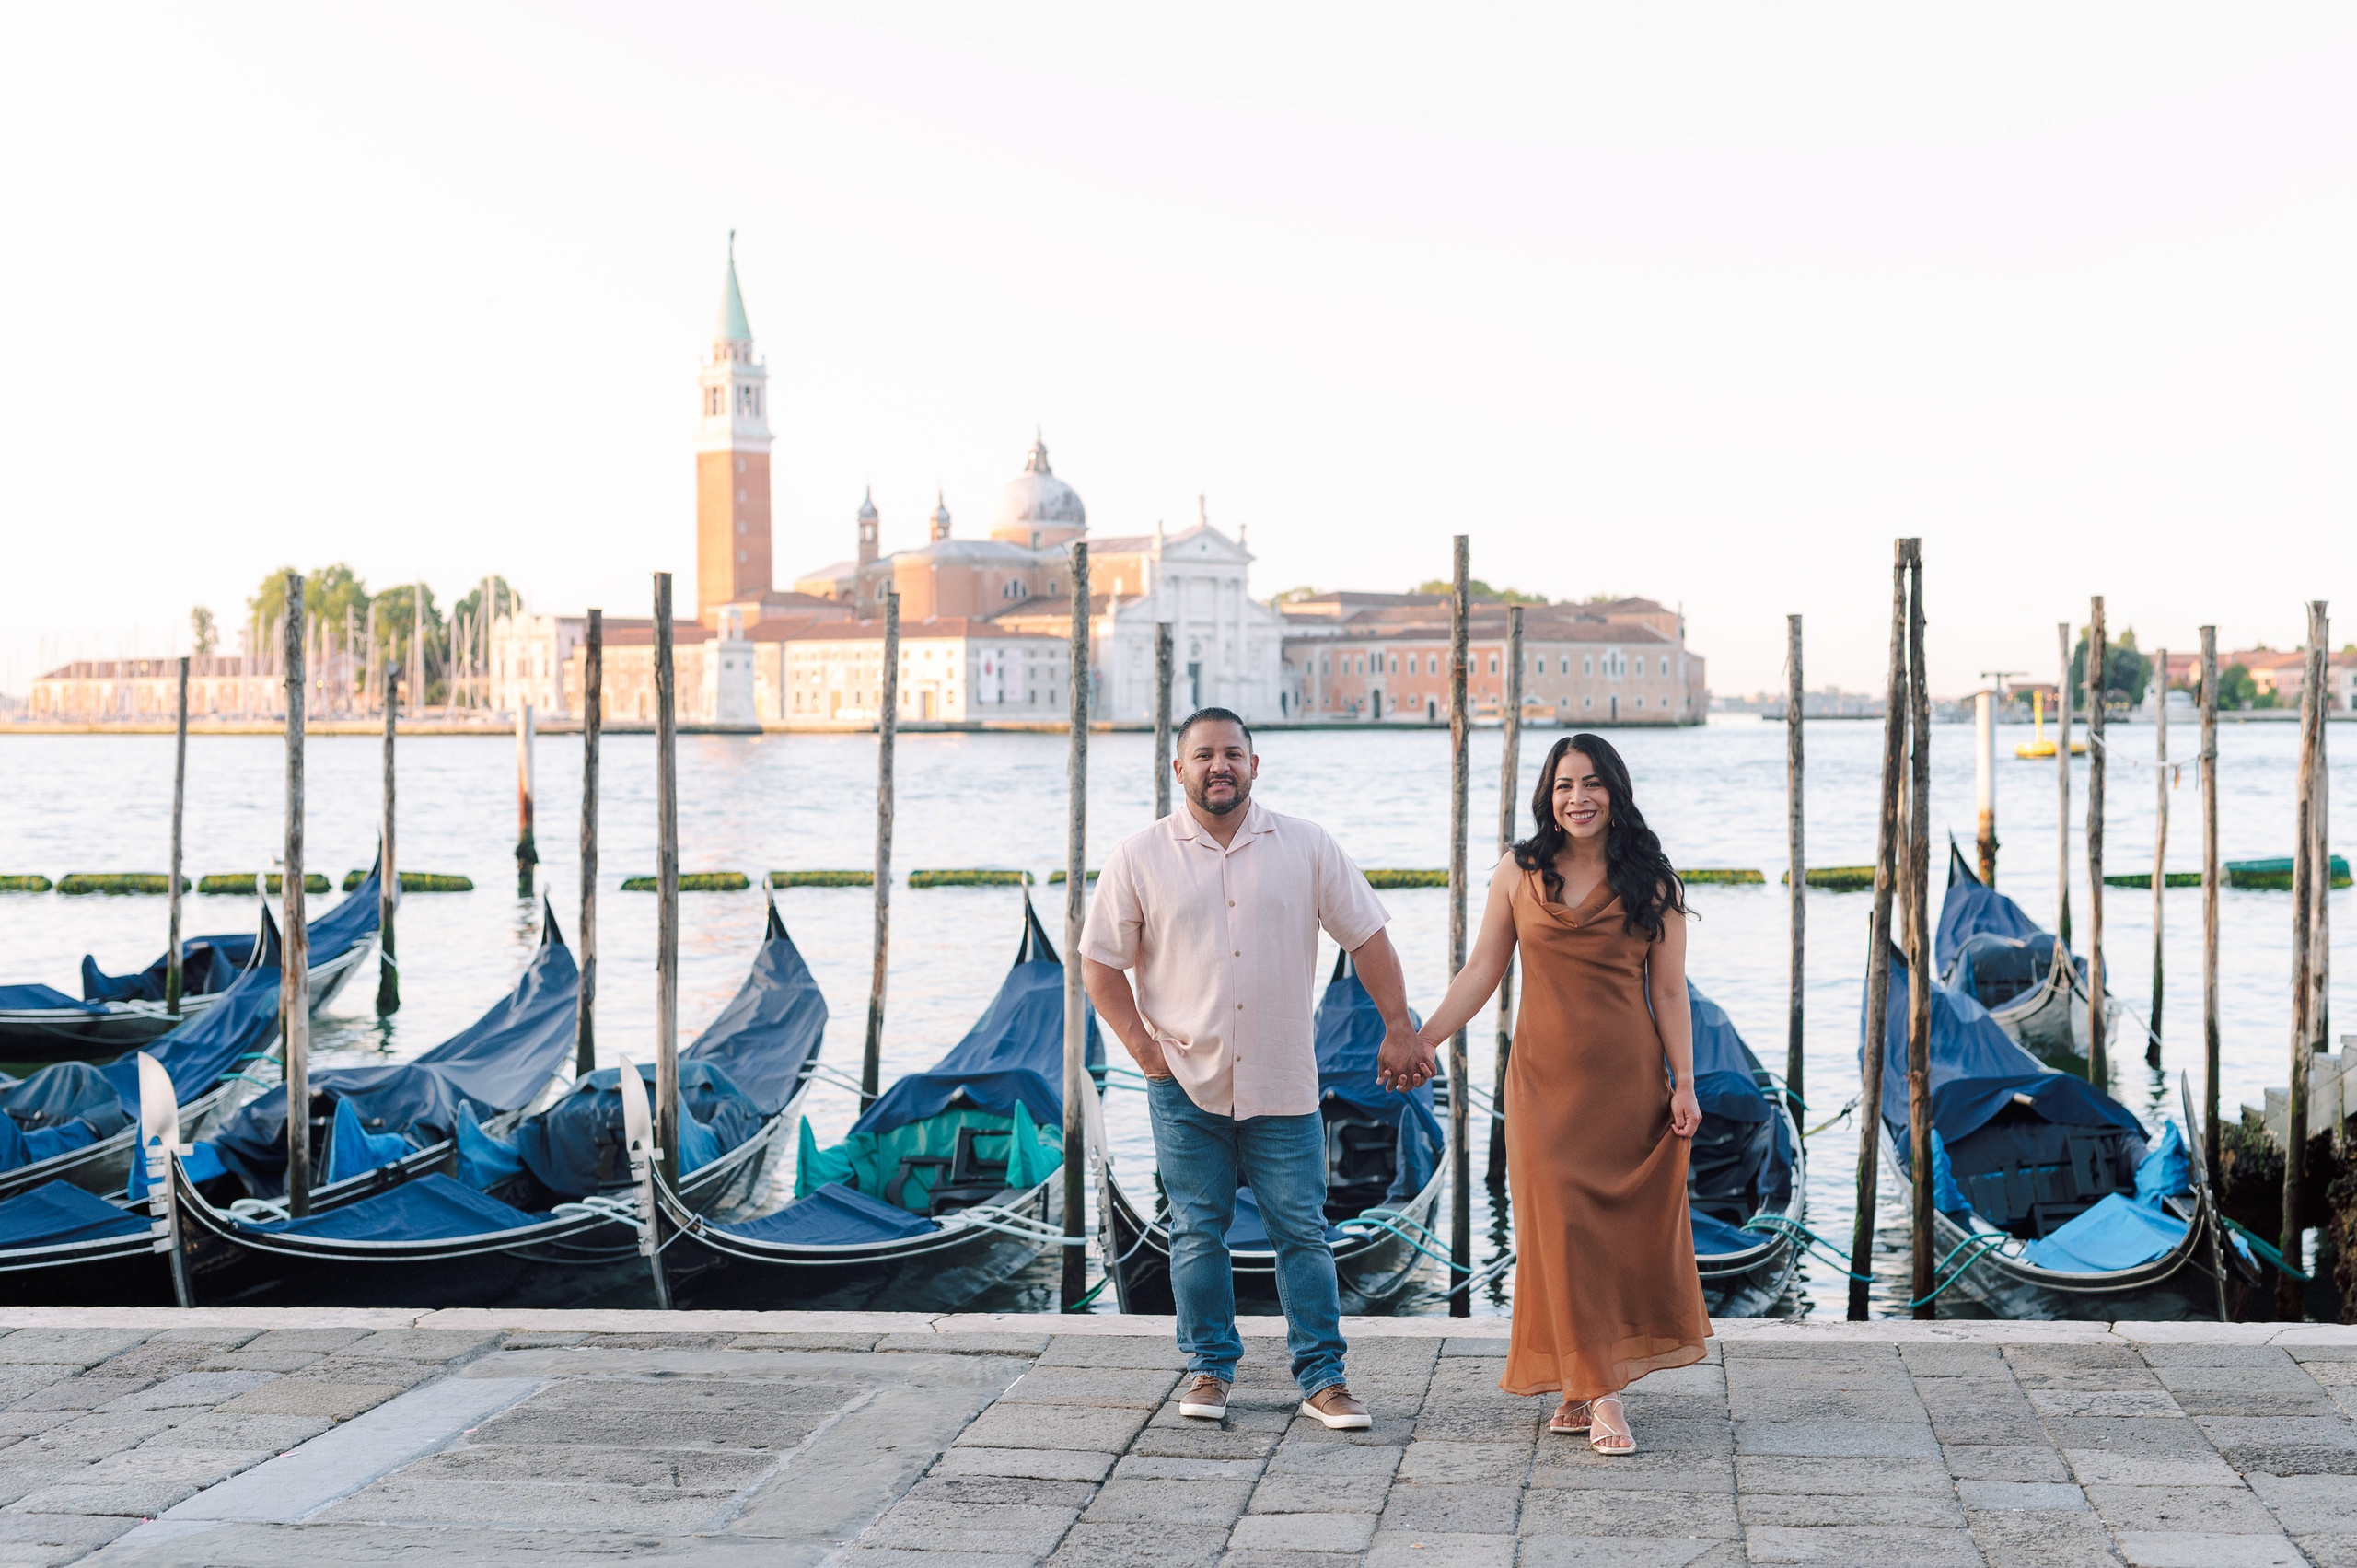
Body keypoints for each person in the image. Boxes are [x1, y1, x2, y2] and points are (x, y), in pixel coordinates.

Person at [1082, 707, 1431, 1431]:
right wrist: (1145, 1052)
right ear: (1178, 768)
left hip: (1282, 1078)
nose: (1220, 765)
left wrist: (1400, 1025)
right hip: (1181, 1078)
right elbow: (1099, 964)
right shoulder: (1138, 855)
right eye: (1204, 754)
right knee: (1197, 1228)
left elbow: (1366, 936)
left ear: (1254, 764)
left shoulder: (1306, 845)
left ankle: (1323, 1378)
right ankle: (1209, 1368)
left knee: (1301, 1229)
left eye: (1233, 753)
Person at [1411, 732, 1708, 1455]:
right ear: (1547, 795)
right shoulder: (1518, 871)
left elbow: (1669, 990)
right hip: (1542, 1086)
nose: (1579, 797)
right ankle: (1601, 1391)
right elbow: (1483, 968)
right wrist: (1426, 1038)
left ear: (1616, 791)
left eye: (1593, 782)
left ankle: (1586, 1385)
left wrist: (1686, 1081)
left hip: (1627, 1084)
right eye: (1565, 784)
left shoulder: (1652, 880)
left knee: (1609, 1236)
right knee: (1560, 1230)